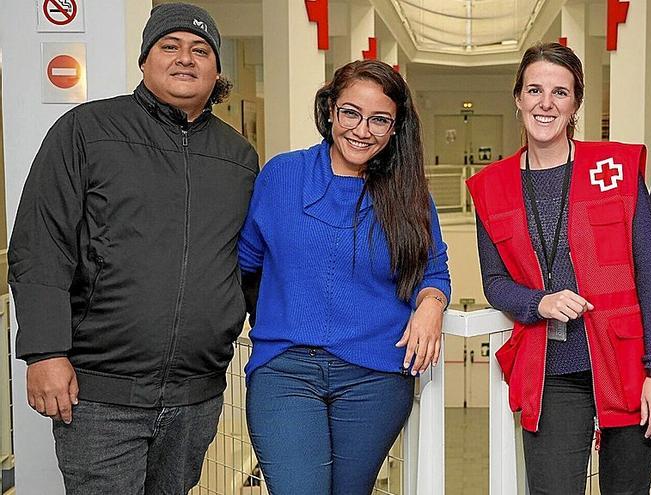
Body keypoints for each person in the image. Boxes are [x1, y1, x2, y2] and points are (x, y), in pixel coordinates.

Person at [9, 3, 259, 494]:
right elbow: (42, 244)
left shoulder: (239, 159)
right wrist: (43, 352)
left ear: (217, 70)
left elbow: (248, 264)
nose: (185, 58)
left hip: (196, 394)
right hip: (99, 394)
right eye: (170, 46)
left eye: (200, 50)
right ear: (145, 61)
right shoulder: (87, 132)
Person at [466, 43, 651, 495]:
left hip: (631, 363)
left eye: (560, 92)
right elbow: (494, 282)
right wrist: (539, 302)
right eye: (534, 90)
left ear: (575, 104)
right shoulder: (491, 188)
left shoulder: (616, 167)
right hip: (552, 369)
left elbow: (650, 272)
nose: (545, 103)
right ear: (518, 98)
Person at [239, 59, 451, 494]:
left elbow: (434, 270)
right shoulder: (282, 175)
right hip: (286, 369)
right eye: (351, 112)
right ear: (330, 110)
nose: (362, 129)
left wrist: (431, 304)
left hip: (376, 375)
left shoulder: (409, 194)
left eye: (379, 120)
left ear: (395, 129)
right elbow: (247, 264)